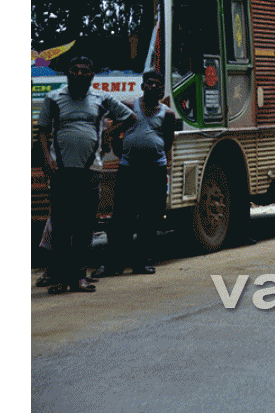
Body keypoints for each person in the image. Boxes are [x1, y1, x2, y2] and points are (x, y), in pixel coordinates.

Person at [37, 57, 134, 294]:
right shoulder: (54, 98)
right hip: (61, 172)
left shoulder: (100, 98)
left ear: (92, 76)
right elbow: (42, 130)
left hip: (90, 172)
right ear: (67, 74)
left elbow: (129, 117)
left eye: (85, 71)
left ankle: (79, 277)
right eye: (75, 70)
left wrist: (108, 134)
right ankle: (60, 278)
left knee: (83, 227)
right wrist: (47, 160)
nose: (80, 74)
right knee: (60, 227)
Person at [95, 70, 176, 277]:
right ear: (142, 87)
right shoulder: (131, 107)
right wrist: (119, 149)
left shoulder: (167, 114)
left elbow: (167, 141)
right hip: (129, 169)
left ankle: (143, 262)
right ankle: (114, 263)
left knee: (150, 217)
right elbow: (113, 126)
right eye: (149, 83)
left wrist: (154, 153)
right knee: (122, 217)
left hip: (154, 171)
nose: (153, 86)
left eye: (157, 84)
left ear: (161, 89)